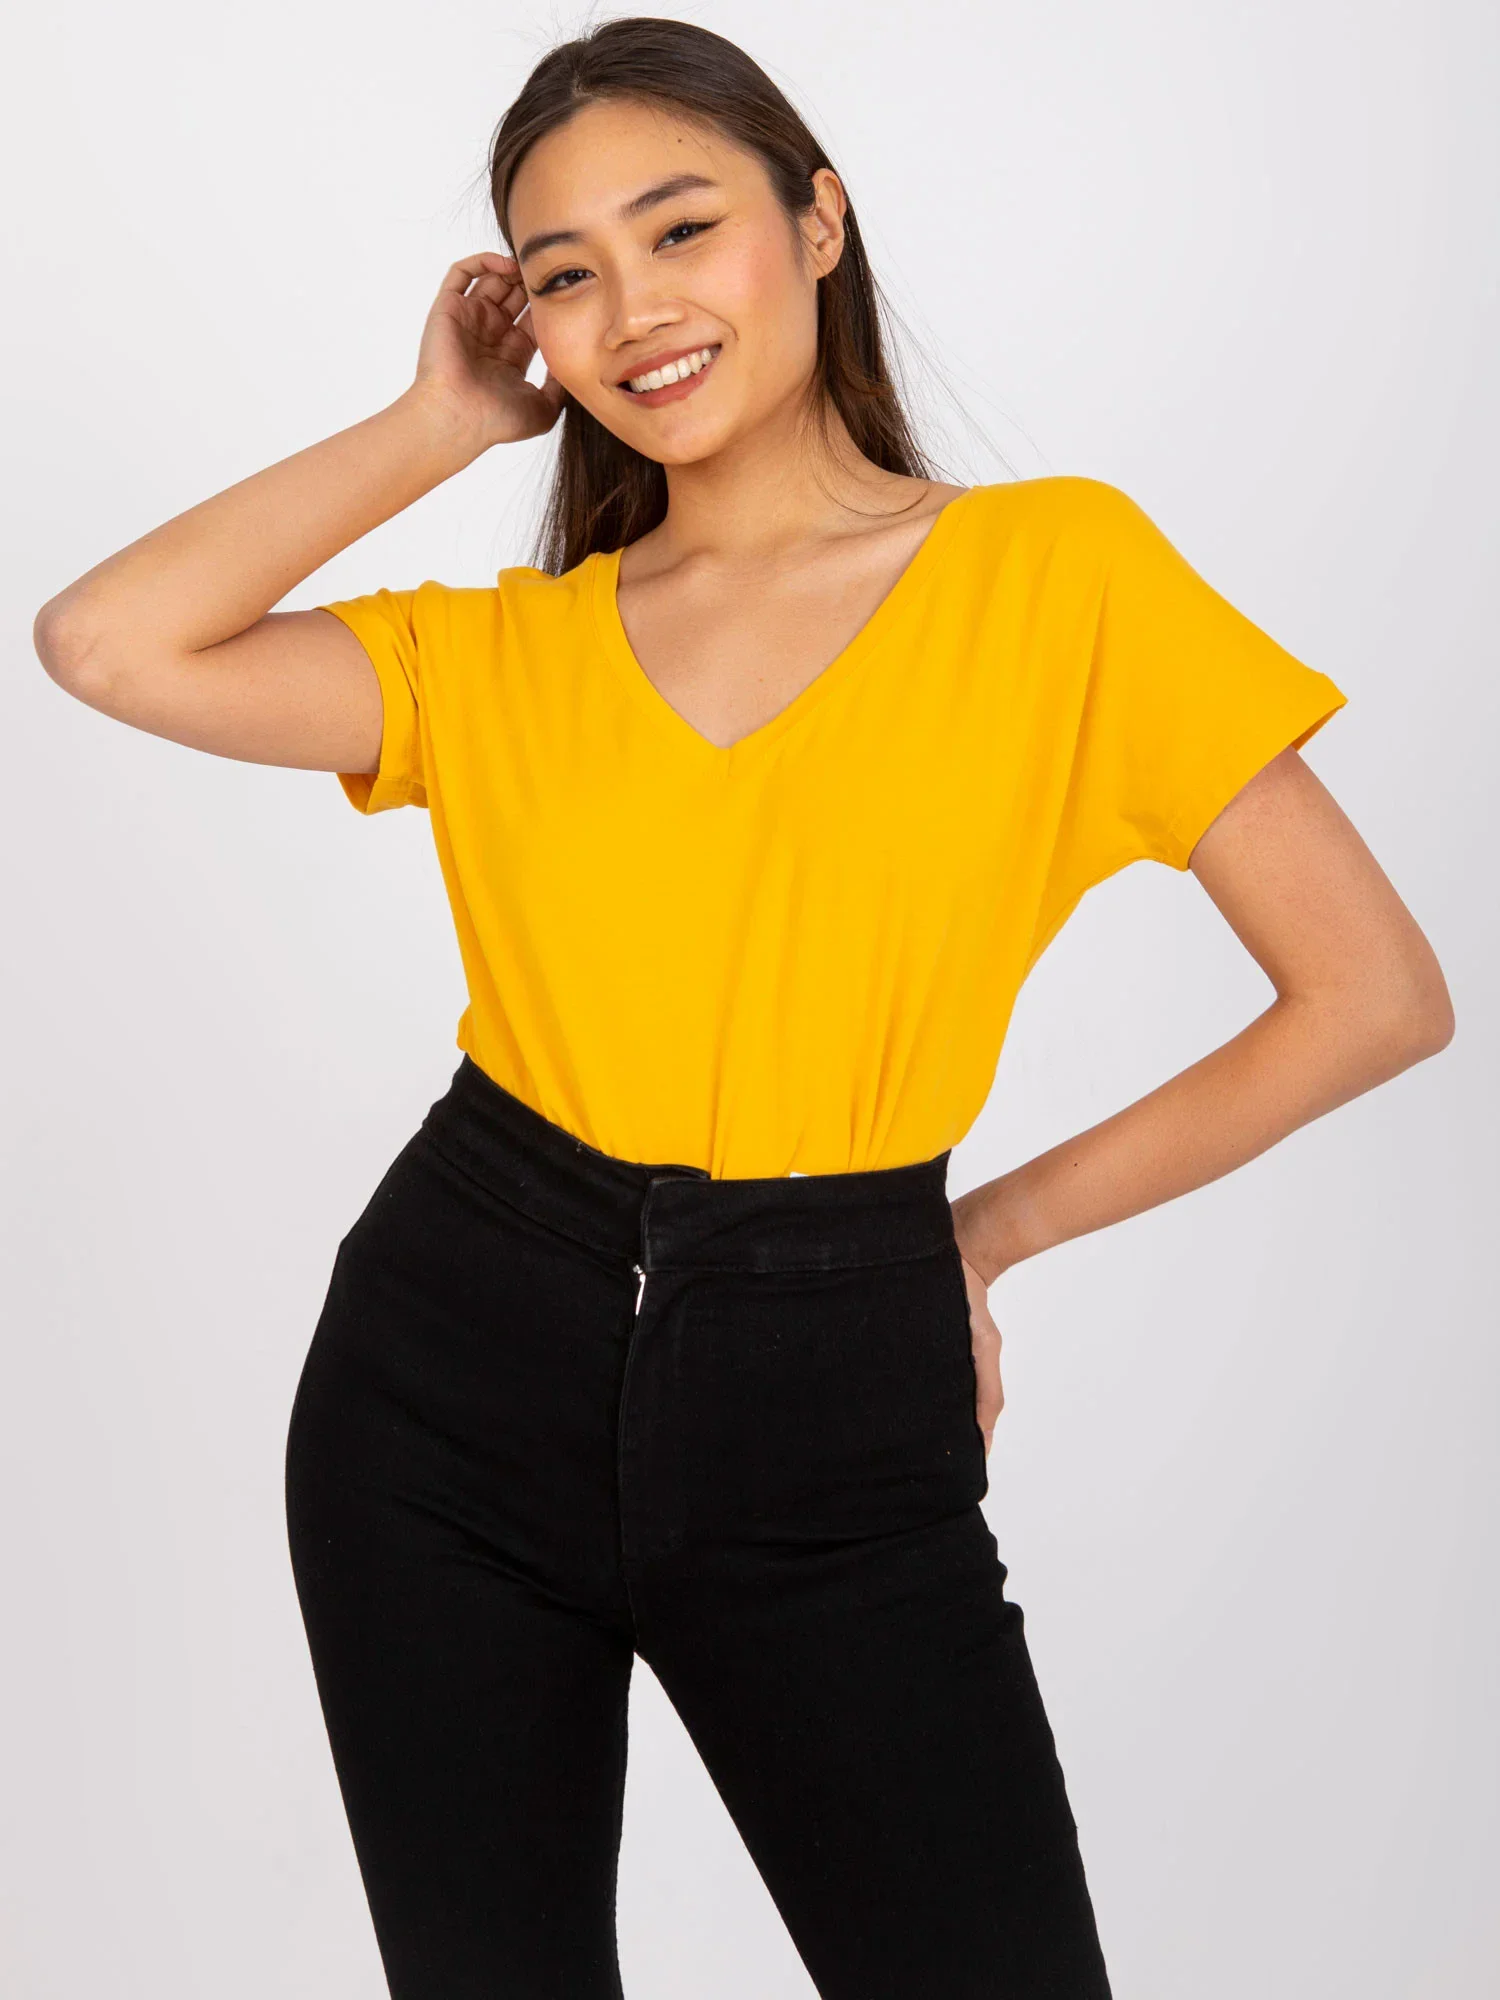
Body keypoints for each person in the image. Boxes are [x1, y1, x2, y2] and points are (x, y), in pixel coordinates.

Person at [32, 16, 1453, 1999]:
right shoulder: (509, 654)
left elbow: (1373, 994)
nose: (634, 309)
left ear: (820, 219)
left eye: (681, 227)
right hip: (444, 1376)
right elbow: (107, 642)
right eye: (566, 274)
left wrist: (977, 1234)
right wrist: (439, 423)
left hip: (835, 1387)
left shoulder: (1057, 577)